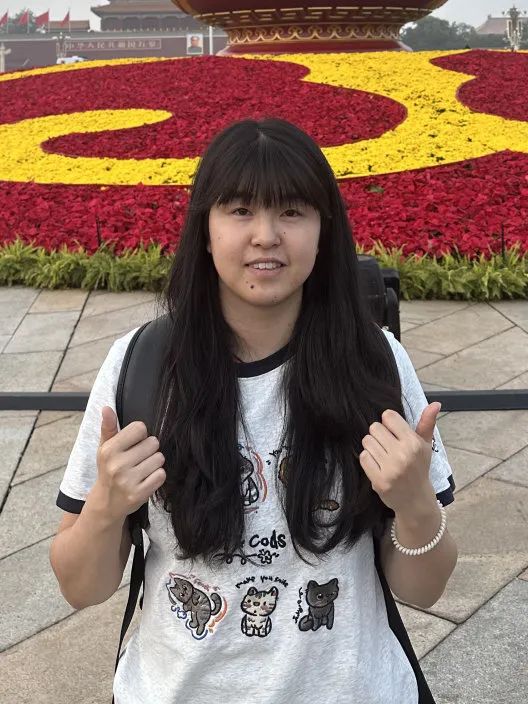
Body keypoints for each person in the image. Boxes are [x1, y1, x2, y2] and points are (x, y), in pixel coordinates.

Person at [50, 118, 458, 704]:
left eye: (292, 211)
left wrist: (416, 504)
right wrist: (105, 508)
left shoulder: (374, 362)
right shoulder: (142, 365)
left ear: (324, 230)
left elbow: (425, 589)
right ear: (205, 229)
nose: (266, 236)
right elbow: (80, 588)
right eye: (240, 210)